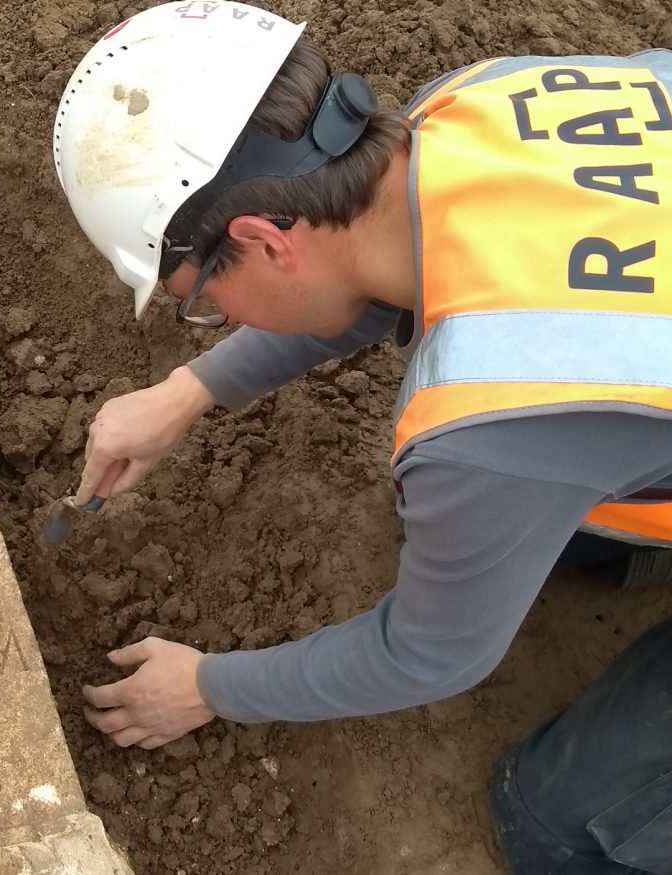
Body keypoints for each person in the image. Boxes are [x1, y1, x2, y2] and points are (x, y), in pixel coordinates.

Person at [51, 2, 672, 871]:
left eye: (203, 299)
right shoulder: (475, 105)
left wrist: (206, 685)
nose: (213, 317)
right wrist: (188, 387)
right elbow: (368, 275)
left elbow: (430, 653)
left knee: (551, 822)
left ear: (264, 240)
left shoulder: (488, 432)